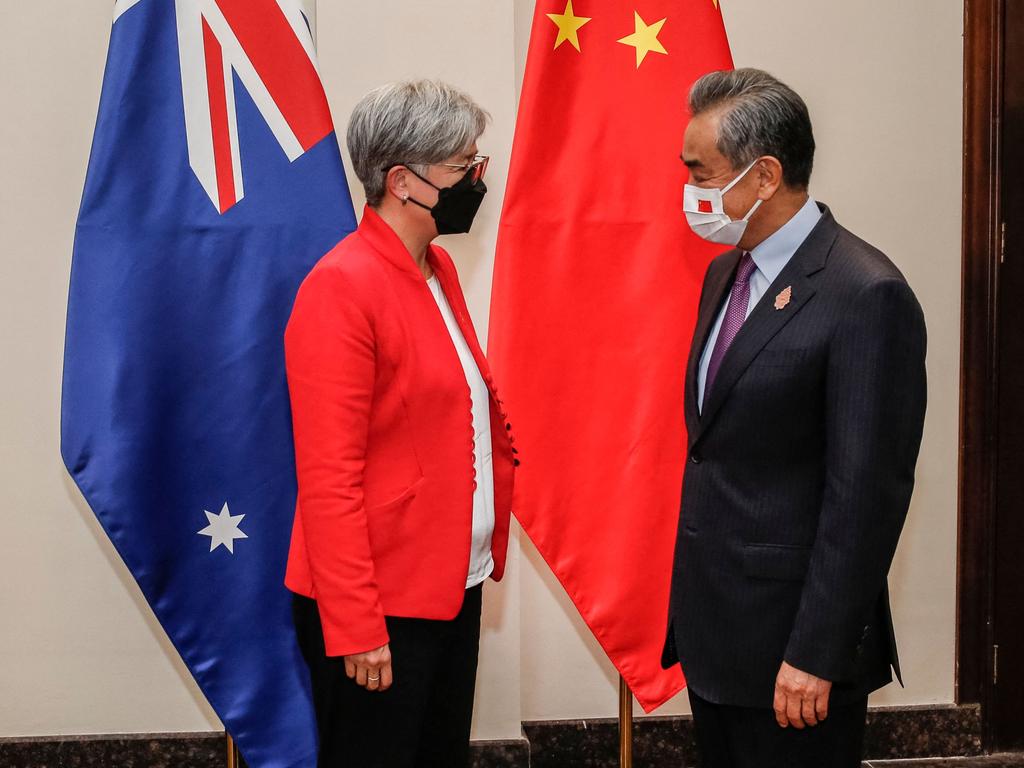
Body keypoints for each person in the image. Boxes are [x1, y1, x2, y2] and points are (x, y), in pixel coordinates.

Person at [662, 68, 927, 768]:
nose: (690, 190)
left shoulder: (865, 293)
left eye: (701, 171)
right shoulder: (726, 273)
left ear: (764, 175)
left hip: (795, 657)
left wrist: (817, 652)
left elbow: (865, 496)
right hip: (718, 635)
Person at [283, 79, 516, 768]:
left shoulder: (436, 268)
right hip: (379, 604)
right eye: (462, 167)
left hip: (450, 582)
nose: (479, 180)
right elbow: (328, 477)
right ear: (401, 181)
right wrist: (355, 624)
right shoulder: (342, 286)